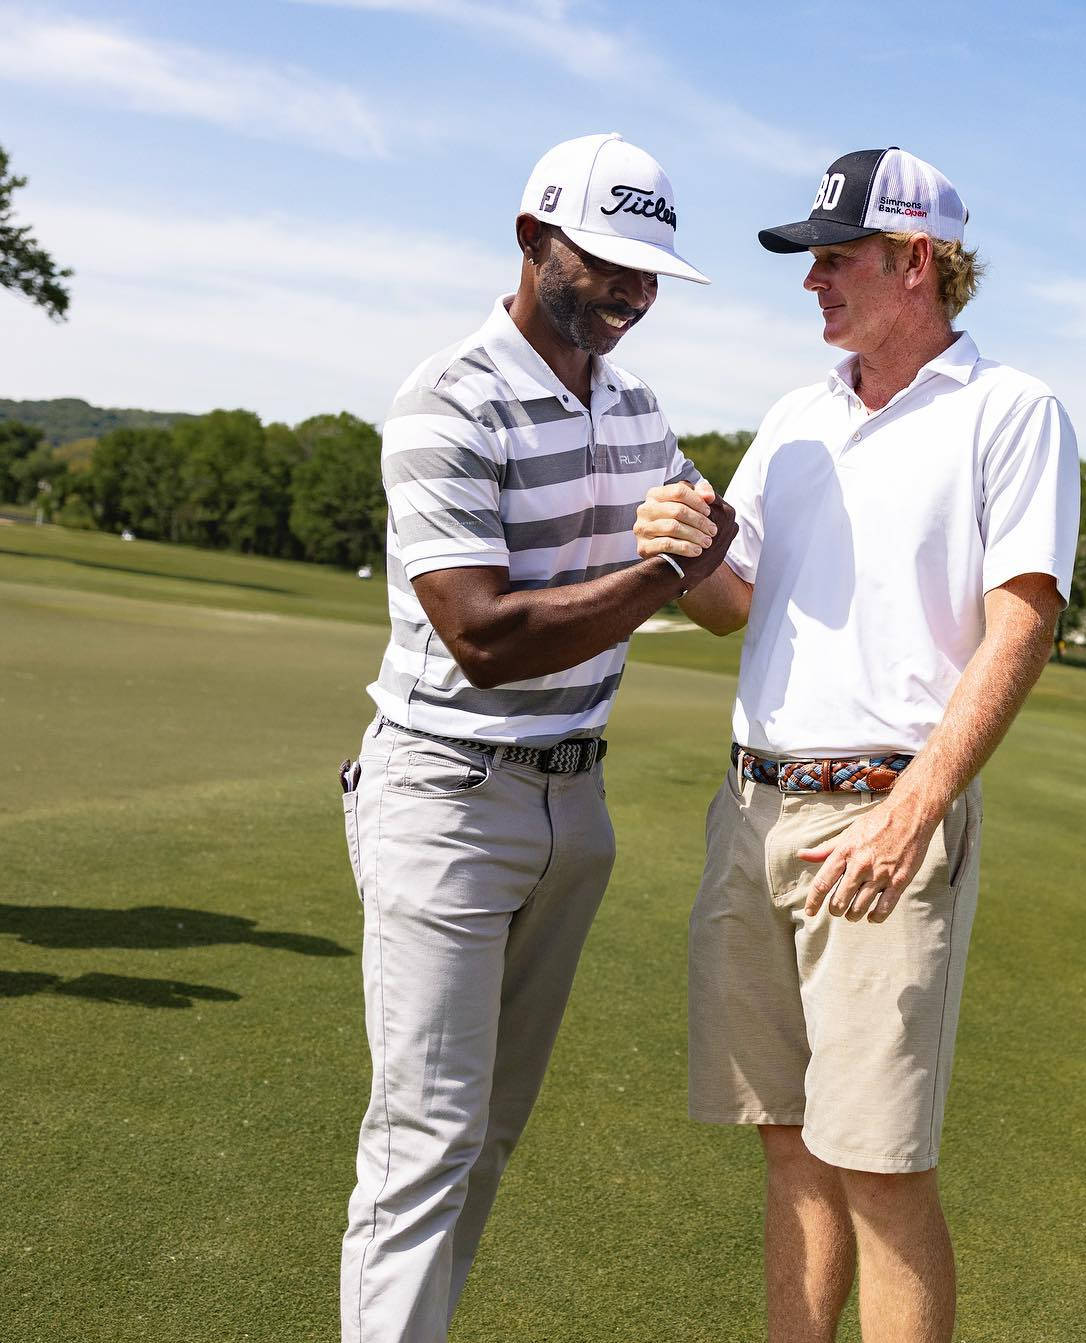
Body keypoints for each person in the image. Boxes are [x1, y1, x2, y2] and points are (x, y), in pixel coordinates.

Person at [634, 147, 1080, 1342]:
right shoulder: (795, 416)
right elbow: (736, 601)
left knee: (879, 1168)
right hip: (753, 812)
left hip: (884, 817)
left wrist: (918, 805)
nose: (813, 282)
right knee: (788, 1147)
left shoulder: (1011, 410)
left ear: (916, 262)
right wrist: (684, 555)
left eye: (836, 258)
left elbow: (1023, 619)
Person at [338, 132, 736, 1343]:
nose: (630, 291)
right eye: (606, 260)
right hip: (449, 795)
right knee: (427, 1138)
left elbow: (709, 581)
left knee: (489, 1133)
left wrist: (703, 541)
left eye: (649, 270)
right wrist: (666, 570)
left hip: (575, 805)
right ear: (529, 239)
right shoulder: (447, 396)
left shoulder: (636, 403)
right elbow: (485, 635)